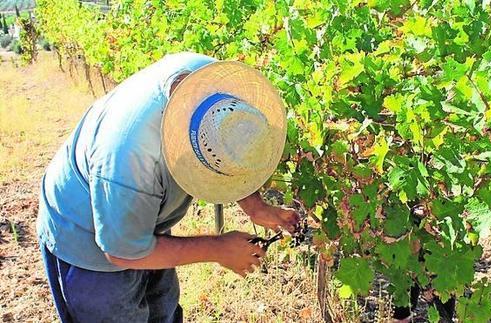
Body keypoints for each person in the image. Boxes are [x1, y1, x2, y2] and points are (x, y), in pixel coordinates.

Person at [36, 52, 300, 322]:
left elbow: (226, 142)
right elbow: (121, 251)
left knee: (164, 311)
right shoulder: (133, 161)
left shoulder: (211, 85)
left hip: (139, 217)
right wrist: (218, 248)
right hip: (84, 232)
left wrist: (255, 206)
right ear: (187, 155)